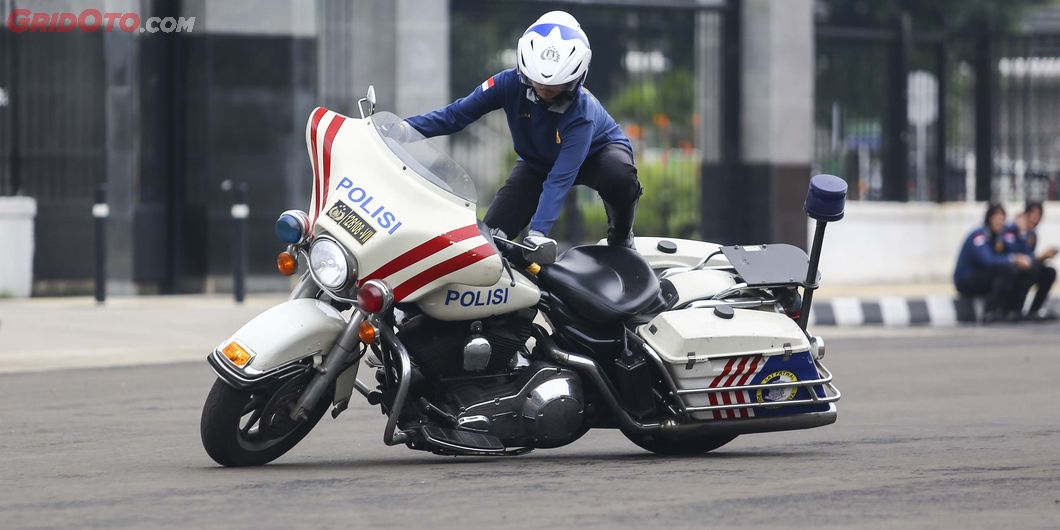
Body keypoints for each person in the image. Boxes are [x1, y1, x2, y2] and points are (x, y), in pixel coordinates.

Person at [403, 11, 642, 249]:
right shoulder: (506, 84)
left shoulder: (582, 114)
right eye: (537, 82)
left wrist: (538, 233)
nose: (544, 90)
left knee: (618, 174)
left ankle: (621, 239)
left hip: (597, 157)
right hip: (537, 162)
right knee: (490, 241)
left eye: (555, 86)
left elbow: (559, 180)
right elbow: (455, 116)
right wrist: (404, 129)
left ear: (577, 79)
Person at [954, 203, 1033, 322]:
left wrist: (1021, 232)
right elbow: (988, 261)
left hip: (984, 277)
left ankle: (1012, 311)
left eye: (1002, 220)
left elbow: (1021, 252)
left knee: (1021, 271)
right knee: (1006, 271)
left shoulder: (999, 237)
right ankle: (990, 311)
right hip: (966, 279)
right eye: (996, 219)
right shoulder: (979, 235)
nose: (999, 223)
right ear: (989, 219)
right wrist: (1013, 259)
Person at [1005, 202, 1058, 320]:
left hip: (1026, 267)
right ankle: (1014, 310)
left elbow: (1029, 256)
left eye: (1038, 217)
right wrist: (1022, 234)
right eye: (1033, 216)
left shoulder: (1032, 234)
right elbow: (1013, 252)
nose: (1035, 220)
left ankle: (1034, 311)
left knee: (1049, 272)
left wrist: (1041, 258)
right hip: (1010, 269)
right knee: (1032, 270)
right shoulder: (1011, 230)